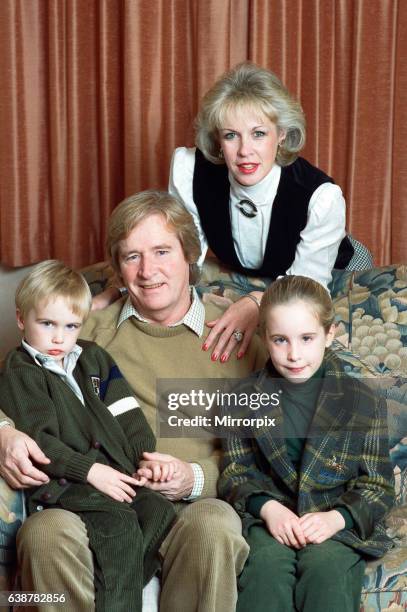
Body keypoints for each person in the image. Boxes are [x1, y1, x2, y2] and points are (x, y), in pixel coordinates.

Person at [16, 191, 266, 612]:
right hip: (94, 503)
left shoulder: (238, 334)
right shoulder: (83, 332)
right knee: (44, 532)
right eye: (132, 256)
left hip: (192, 509)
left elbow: (276, 445)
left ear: (190, 254)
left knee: (215, 525)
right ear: (117, 268)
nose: (148, 271)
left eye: (162, 251)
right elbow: (16, 377)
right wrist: (4, 433)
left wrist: (195, 477)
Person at [0, 260, 176, 612]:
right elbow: (41, 442)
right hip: (66, 481)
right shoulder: (22, 372)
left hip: (114, 476)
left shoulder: (93, 358)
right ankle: (121, 602)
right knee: (120, 525)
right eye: (46, 323)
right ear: (22, 319)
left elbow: (127, 412)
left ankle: (111, 589)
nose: (57, 337)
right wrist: (91, 471)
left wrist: (144, 459)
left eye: (70, 326)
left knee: (158, 510)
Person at [168, 62, 372, 362]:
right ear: (217, 140)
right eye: (231, 136)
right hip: (257, 269)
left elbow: (308, 285)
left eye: (259, 133)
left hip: (337, 266)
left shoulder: (321, 197)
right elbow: (185, 250)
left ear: (282, 135)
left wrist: (255, 302)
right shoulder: (190, 170)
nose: (244, 151)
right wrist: (124, 289)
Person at [218, 275, 395, 612]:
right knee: (265, 571)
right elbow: (235, 474)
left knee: (326, 571)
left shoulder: (363, 401)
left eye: (307, 338)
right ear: (263, 338)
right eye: (280, 340)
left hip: (335, 522)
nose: (294, 354)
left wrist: (338, 518)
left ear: (330, 335)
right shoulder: (241, 399)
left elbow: (378, 484)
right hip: (272, 521)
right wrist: (268, 510)